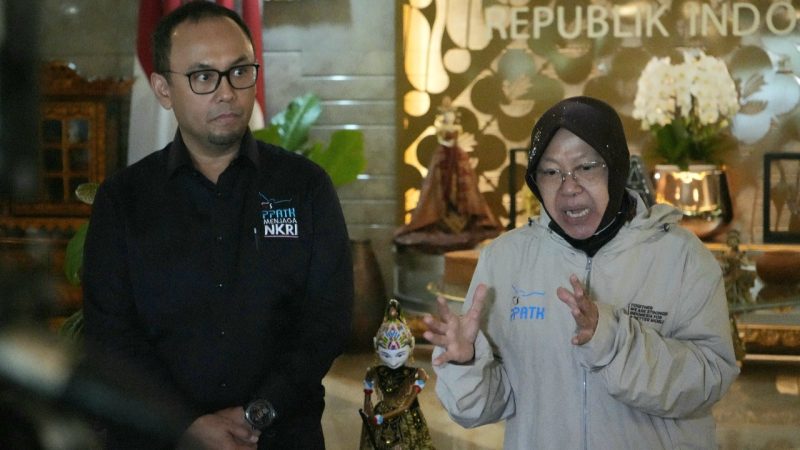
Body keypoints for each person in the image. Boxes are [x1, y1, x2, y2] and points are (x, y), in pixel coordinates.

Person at [82, 2, 353, 449]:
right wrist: (186, 423)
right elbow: (111, 336)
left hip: (279, 436)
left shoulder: (305, 187)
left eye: (239, 71)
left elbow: (327, 321)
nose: (227, 92)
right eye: (204, 77)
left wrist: (259, 412)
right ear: (163, 89)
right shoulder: (124, 201)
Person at [423, 96, 739, 449]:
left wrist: (612, 342)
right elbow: (489, 405)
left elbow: (710, 380)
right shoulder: (505, 259)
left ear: (616, 167)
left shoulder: (681, 257)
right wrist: (466, 364)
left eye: (586, 167)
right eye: (551, 172)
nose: (569, 186)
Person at [359, 299, 435, 450]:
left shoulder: (417, 374)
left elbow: (406, 405)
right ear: (376, 346)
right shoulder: (373, 372)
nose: (393, 361)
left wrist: (381, 418)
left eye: (399, 354)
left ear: (411, 345)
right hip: (379, 419)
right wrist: (370, 414)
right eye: (386, 355)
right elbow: (367, 401)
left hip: (406, 420)